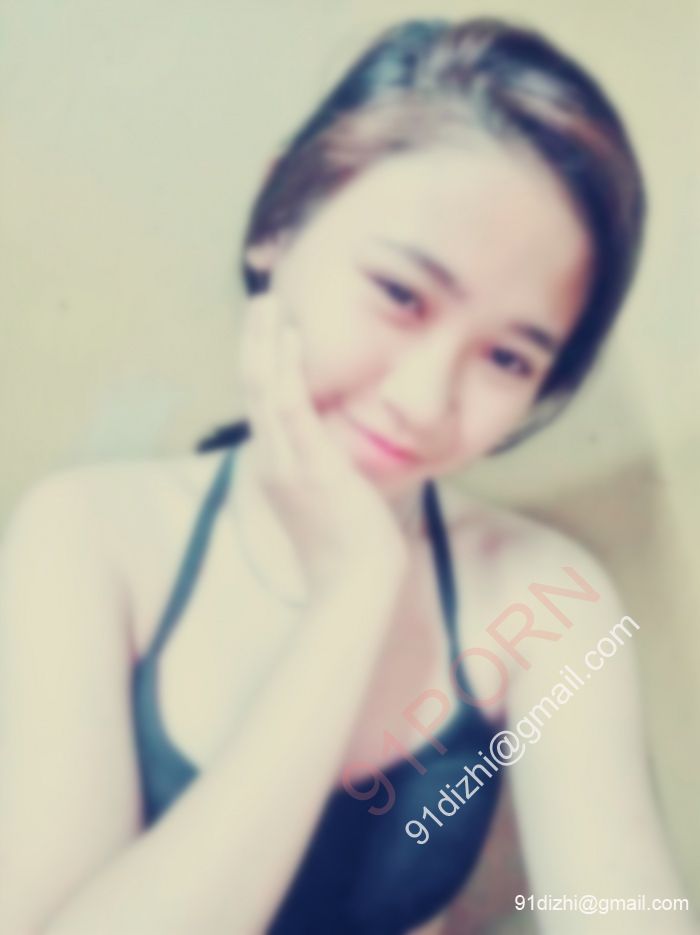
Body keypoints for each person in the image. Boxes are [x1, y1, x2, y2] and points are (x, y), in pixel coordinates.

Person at [0, 15, 695, 935]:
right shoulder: (90, 539)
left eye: (507, 358)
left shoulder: (546, 604)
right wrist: (351, 595)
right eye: (401, 294)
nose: (423, 400)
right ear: (278, 224)